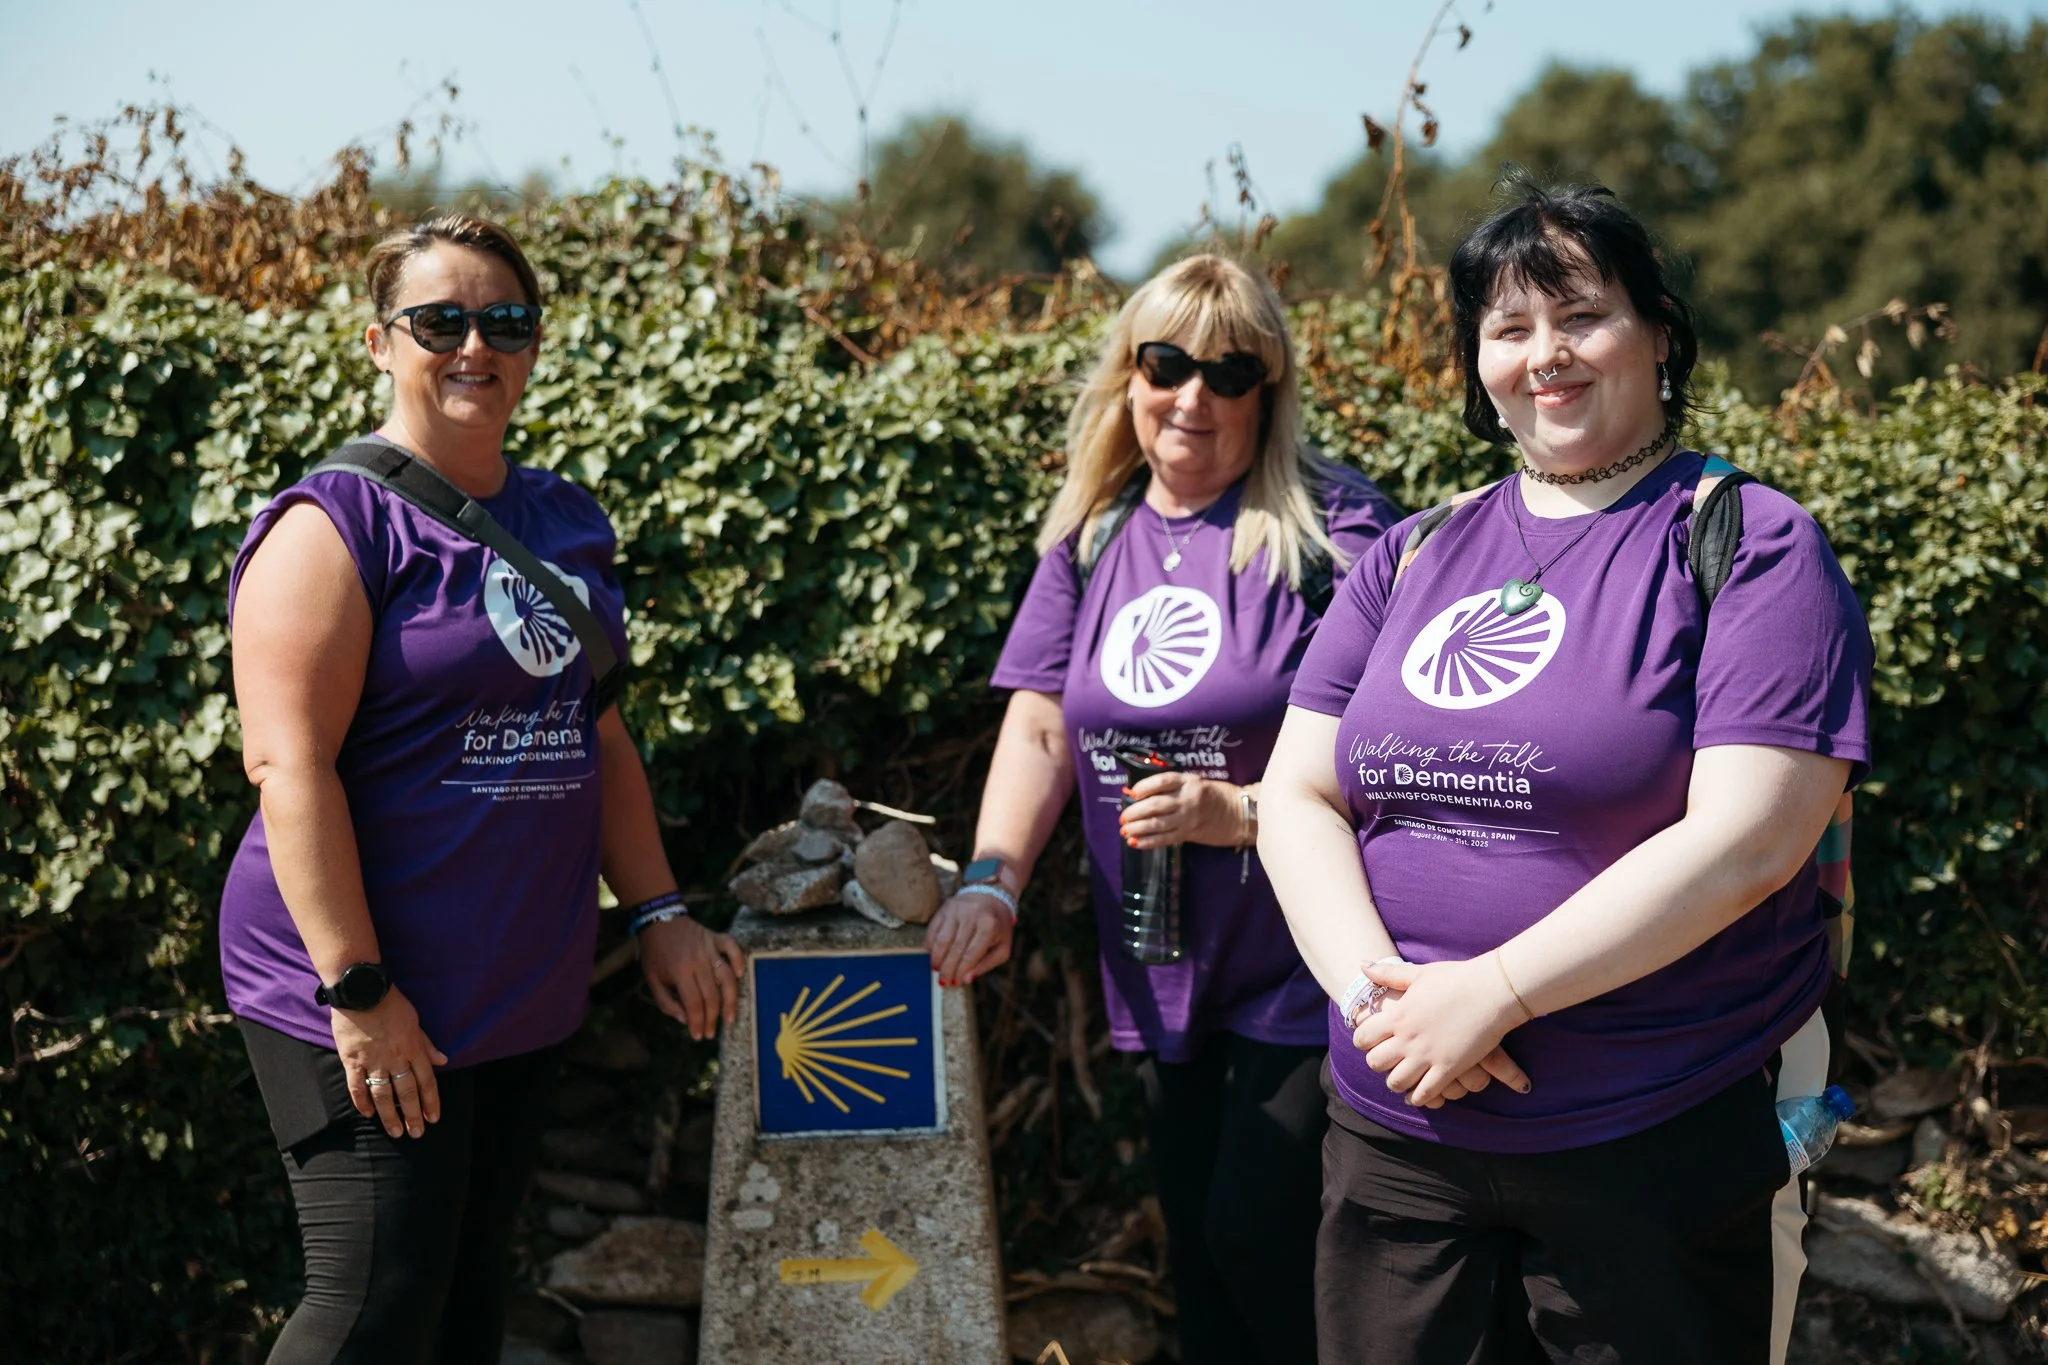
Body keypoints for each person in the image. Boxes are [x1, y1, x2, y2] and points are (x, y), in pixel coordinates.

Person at [1259, 178, 1871, 1365]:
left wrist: (1492, 994)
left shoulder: (1748, 540)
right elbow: (1297, 792)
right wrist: (1377, 1001)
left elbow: (1750, 840)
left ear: (1656, 330)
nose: (1545, 355)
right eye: (1507, 328)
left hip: (1648, 1135)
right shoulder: (1411, 552)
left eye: (1580, 315)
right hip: (1395, 1137)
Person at [220, 213, 745, 1363]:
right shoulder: (332, 524)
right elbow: (287, 767)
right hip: (356, 977)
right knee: (372, 1304)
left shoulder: (561, 517)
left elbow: (594, 725)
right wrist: (359, 993)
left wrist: (657, 912)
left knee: (461, 1309)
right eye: (439, 321)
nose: (474, 346)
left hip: (515, 981)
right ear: (377, 343)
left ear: (533, 344)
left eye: (502, 321)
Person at [925, 254, 1401, 1363]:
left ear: (1268, 390)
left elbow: (1403, 743)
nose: (1192, 396)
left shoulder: (1339, 534)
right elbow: (1040, 726)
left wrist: (1239, 809)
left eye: (1229, 372)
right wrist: (993, 881)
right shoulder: (1091, 541)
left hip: (1306, 961)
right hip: (1156, 955)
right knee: (1196, 1254)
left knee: (1260, 1238)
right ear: (1128, 376)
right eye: (1167, 362)